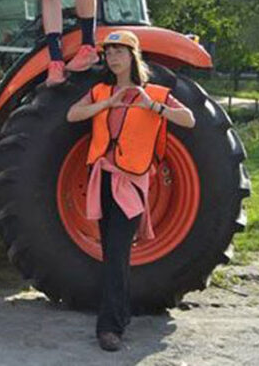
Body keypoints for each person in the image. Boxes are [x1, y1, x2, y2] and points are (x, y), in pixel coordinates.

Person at [66, 30, 195, 352]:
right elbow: (72, 115)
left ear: (132, 56)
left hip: (131, 183)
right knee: (112, 252)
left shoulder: (156, 93)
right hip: (104, 179)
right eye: (109, 53)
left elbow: (189, 119)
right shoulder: (99, 91)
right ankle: (120, 315)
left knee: (118, 252)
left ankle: (109, 327)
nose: (113, 58)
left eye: (119, 52)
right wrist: (108, 103)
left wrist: (153, 107)